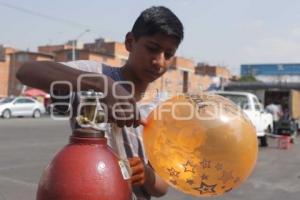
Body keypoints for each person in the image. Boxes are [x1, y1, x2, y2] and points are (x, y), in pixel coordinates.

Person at [16, 6, 184, 200]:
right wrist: (101, 84)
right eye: (152, 49)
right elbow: (27, 71)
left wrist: (145, 174)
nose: (159, 61)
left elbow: (161, 188)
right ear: (130, 42)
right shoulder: (95, 74)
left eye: (168, 54)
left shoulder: (164, 108)